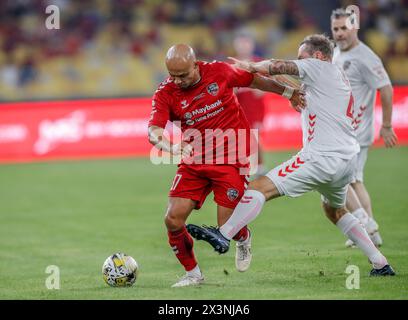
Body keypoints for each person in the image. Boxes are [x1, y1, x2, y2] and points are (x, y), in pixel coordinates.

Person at [187, 35, 395, 277]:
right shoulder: (331, 76)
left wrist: (251, 66)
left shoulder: (318, 67)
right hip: (346, 160)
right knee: (334, 210)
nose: (299, 62)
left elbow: (279, 66)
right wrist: (282, 86)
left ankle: (224, 235)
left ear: (318, 56)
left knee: (258, 188)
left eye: (301, 57)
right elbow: (287, 78)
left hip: (321, 157)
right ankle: (380, 263)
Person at [148, 44, 305, 287]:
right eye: (173, 75)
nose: (177, 81)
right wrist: (170, 147)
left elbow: (254, 80)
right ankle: (193, 274)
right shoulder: (166, 93)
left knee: (226, 226)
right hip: (194, 160)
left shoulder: (219, 72)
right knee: (173, 219)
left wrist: (288, 93)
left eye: (183, 75)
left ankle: (244, 237)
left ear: (195, 64)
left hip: (233, 157)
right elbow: (153, 130)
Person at [331, 8, 397, 248]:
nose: (339, 34)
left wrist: (387, 125)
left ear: (355, 28)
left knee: (341, 179)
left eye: (344, 29)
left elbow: (386, 88)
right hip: (343, 130)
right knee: (354, 181)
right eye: (335, 29)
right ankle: (371, 233)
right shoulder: (337, 53)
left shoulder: (365, 56)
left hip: (356, 132)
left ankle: (365, 226)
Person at [233, 32, 268, 177]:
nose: (244, 47)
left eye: (246, 43)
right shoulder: (233, 66)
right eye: (241, 44)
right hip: (239, 109)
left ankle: (259, 166)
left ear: (251, 45)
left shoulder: (258, 64)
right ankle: (246, 166)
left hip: (256, 109)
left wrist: (245, 85)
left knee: (255, 137)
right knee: (241, 138)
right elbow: (231, 90)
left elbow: (262, 91)